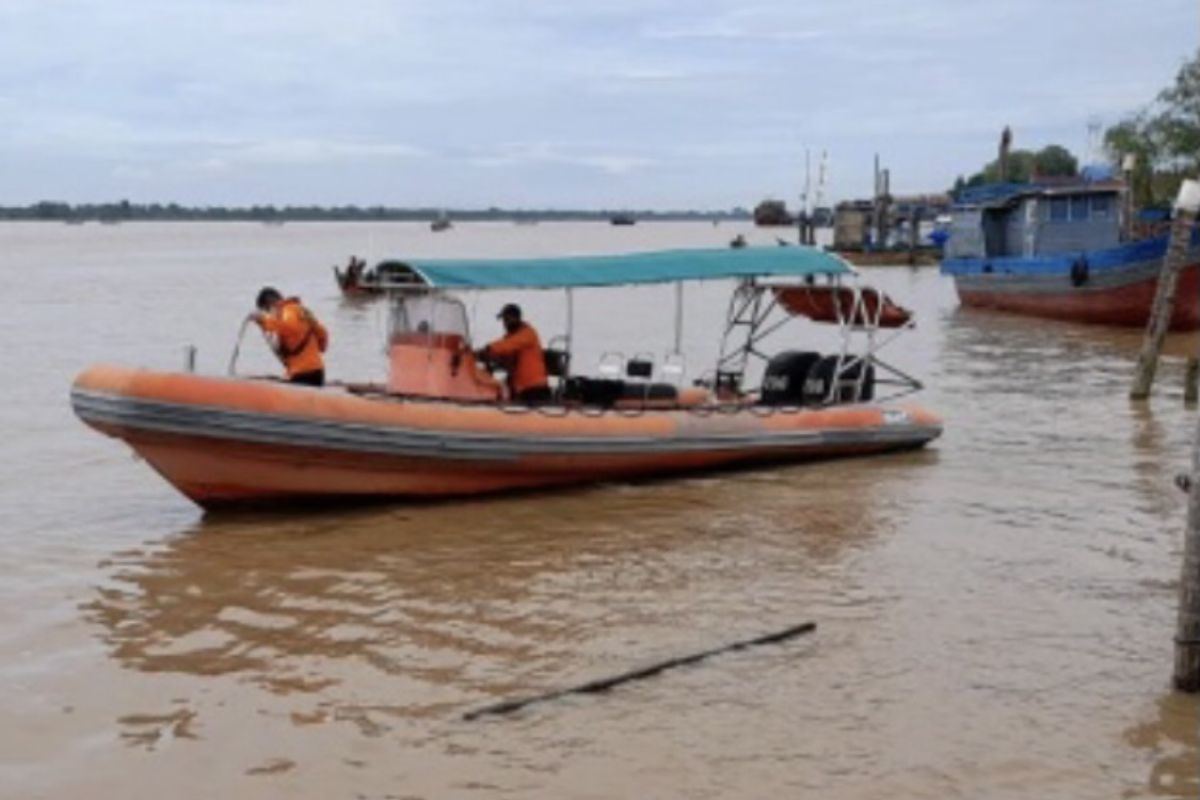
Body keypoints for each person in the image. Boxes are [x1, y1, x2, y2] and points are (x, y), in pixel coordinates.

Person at [249, 287, 329, 386]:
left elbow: (288, 327)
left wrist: (263, 320)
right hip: (318, 370)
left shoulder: (287, 312)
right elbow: (322, 332)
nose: (270, 315)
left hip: (302, 374)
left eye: (267, 311)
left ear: (270, 303)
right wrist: (320, 348)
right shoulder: (302, 310)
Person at [475, 303, 550, 404]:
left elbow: (506, 346)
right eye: (504, 321)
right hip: (520, 390)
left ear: (516, 318)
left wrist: (488, 349)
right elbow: (502, 354)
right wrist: (480, 357)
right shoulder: (510, 337)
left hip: (535, 389)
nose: (505, 324)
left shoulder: (528, 334)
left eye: (507, 319)